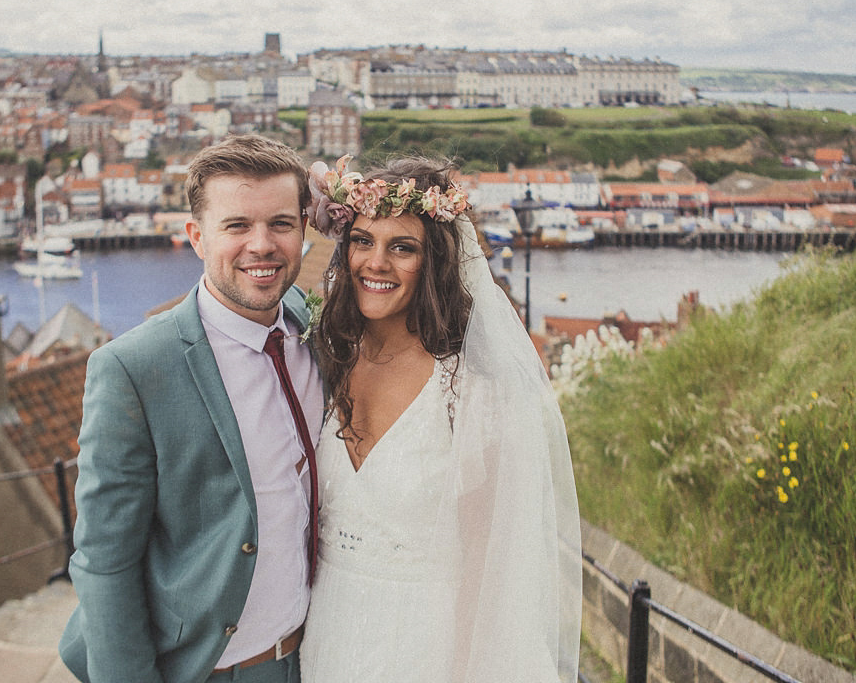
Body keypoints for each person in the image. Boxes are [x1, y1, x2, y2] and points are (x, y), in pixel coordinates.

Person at [298, 156, 581, 682]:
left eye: (402, 247)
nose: (375, 262)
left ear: (435, 263)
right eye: (363, 240)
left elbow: (493, 572)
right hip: (327, 639)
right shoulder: (327, 359)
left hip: (427, 647)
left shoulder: (475, 392)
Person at [59, 134, 325, 683]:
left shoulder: (311, 320)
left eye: (280, 223)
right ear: (196, 238)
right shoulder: (132, 369)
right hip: (207, 668)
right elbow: (104, 562)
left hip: (314, 657)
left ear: (305, 229)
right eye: (236, 226)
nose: (262, 245)